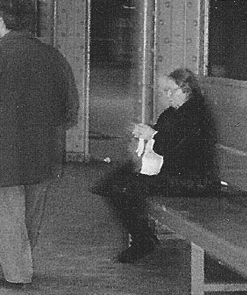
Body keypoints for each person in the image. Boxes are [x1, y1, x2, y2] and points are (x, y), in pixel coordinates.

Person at [0, 0, 79, 288]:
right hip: (43, 153)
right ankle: (22, 265)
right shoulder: (53, 57)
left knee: (8, 215)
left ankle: (16, 275)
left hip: (2, 155)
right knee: (30, 215)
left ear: (0, 21)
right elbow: (70, 111)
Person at [92, 67, 221, 263]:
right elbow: (165, 140)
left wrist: (153, 135)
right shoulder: (175, 112)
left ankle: (142, 241)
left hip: (193, 180)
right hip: (176, 174)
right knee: (116, 181)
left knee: (123, 187)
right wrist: (148, 134)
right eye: (165, 91)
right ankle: (142, 237)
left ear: (186, 90)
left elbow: (179, 151)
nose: (167, 95)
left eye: (171, 91)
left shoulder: (196, 115)